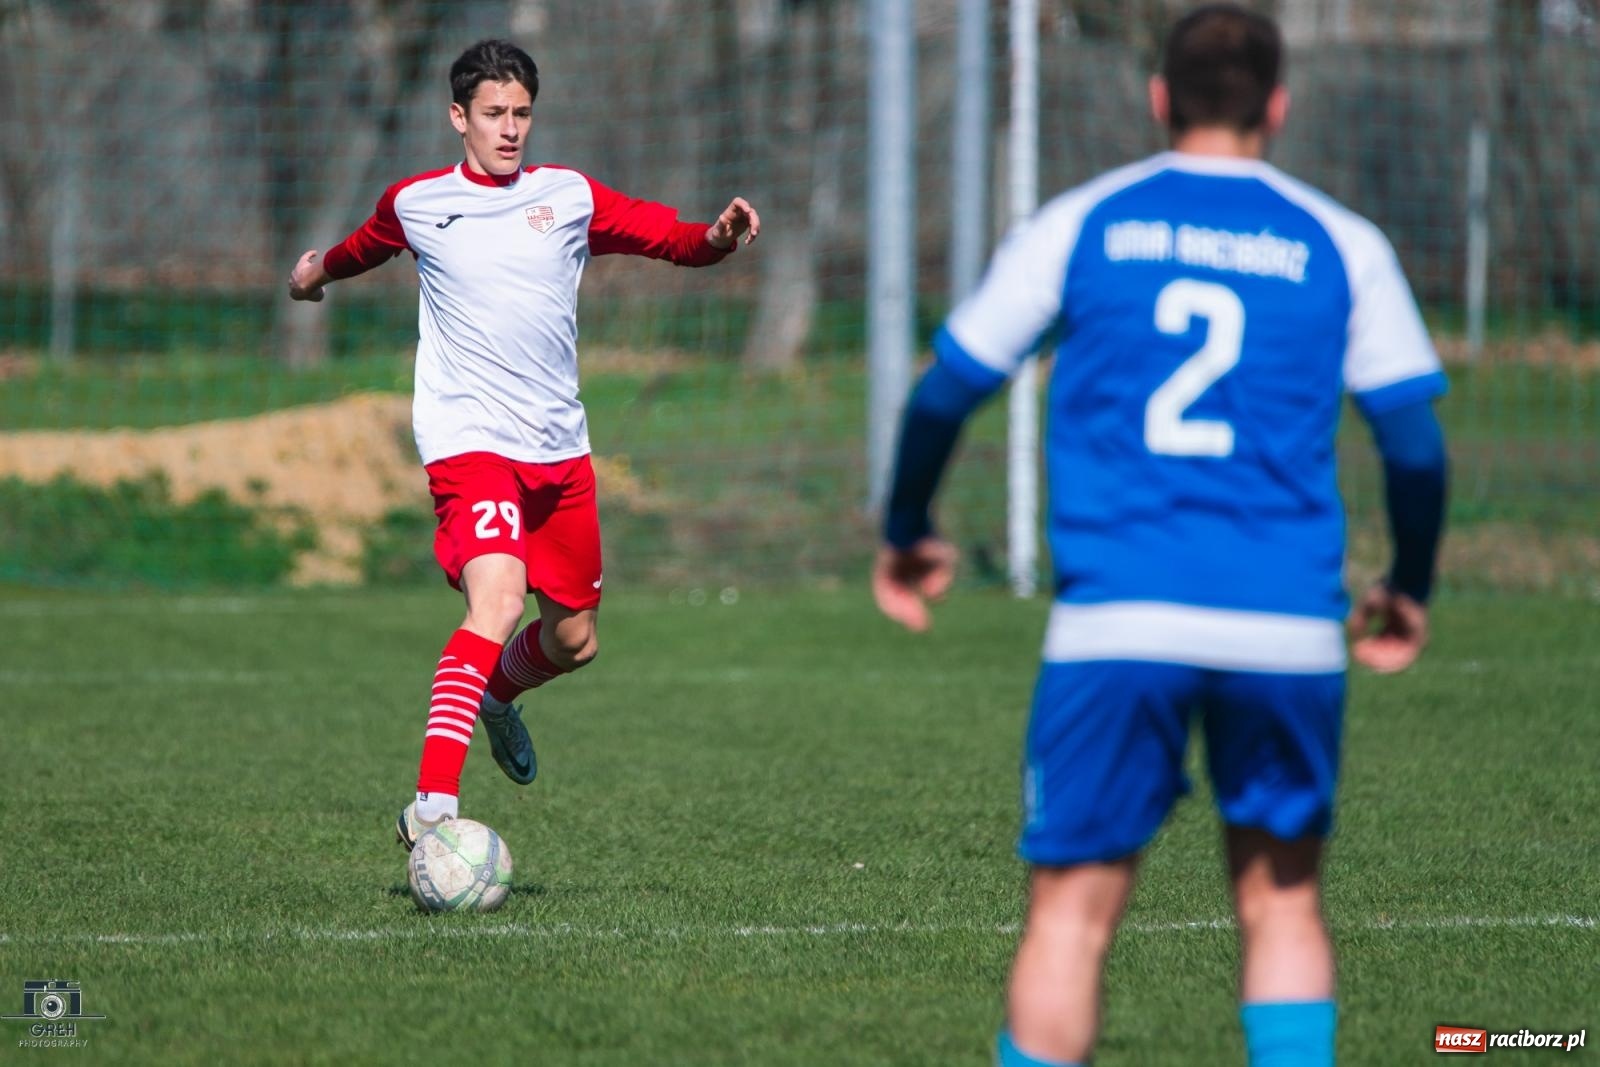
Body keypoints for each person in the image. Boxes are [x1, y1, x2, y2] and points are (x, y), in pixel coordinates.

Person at [871, 6, 1447, 1066]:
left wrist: (907, 528)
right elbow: (1413, 447)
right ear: (1278, 105)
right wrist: (1408, 583)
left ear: (1157, 98)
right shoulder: (1342, 242)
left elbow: (945, 391)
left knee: (1069, 917)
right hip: (1285, 623)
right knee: (1282, 905)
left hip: (1117, 618)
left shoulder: (1081, 223)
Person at [286, 39, 759, 849]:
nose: (509, 129)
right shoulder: (418, 202)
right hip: (469, 440)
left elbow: (672, 239)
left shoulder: (567, 195)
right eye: (494, 113)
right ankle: (432, 806)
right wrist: (313, 275)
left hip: (558, 449)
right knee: (498, 602)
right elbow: (361, 248)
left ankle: (498, 695)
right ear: (458, 116)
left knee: (575, 639)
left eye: (522, 114)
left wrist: (716, 235)